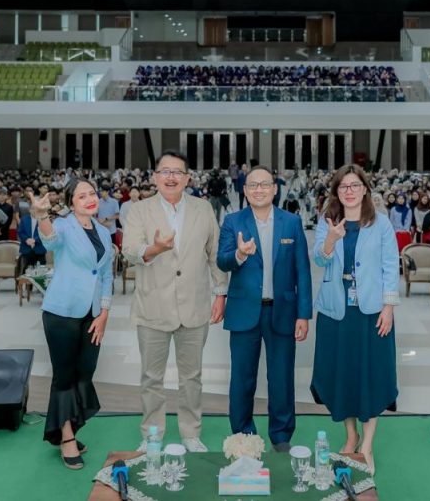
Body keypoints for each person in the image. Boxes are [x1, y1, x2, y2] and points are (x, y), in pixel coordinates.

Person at [122, 150, 227, 453]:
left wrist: (221, 292)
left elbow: (214, 254)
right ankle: (152, 434)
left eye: (177, 172)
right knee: (151, 377)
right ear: (155, 177)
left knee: (192, 377)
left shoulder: (203, 209)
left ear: (187, 178)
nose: (171, 177)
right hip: (153, 307)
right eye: (165, 171)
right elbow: (129, 250)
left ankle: (191, 433)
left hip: (194, 306)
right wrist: (153, 249)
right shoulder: (139, 210)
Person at [310, 164, 398, 476]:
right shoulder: (328, 220)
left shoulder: (381, 223)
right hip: (336, 310)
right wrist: (332, 239)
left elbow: (391, 265)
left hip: (371, 311)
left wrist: (388, 307)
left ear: (364, 189)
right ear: (336, 191)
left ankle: (367, 445)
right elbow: (319, 259)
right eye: (343, 186)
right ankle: (350, 435)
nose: (349, 191)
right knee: (342, 374)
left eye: (355, 185)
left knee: (370, 374)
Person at [217, 165, 312, 452]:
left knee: (281, 378)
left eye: (265, 184)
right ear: (245, 191)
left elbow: (302, 271)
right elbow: (222, 261)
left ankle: (281, 437)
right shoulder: (233, 221)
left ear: (274, 188)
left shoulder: (291, 222)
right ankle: (243, 436)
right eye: (253, 185)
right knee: (242, 379)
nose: (259, 189)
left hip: (282, 311)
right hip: (244, 311)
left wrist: (303, 314)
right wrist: (239, 254)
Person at [33, 179, 113, 470]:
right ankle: (67, 437)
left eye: (92, 193)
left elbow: (106, 274)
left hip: (92, 313)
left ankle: (63, 427)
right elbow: (50, 240)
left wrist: (104, 312)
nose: (90, 199)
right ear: (71, 203)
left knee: (85, 372)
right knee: (64, 376)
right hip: (62, 313)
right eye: (82, 196)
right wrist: (42, 215)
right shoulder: (64, 226)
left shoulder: (104, 232)